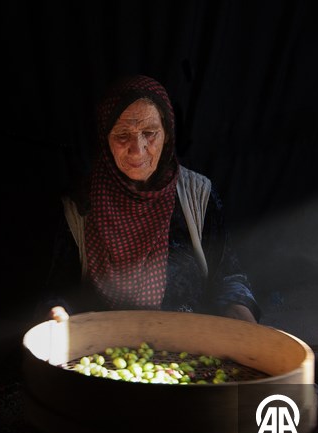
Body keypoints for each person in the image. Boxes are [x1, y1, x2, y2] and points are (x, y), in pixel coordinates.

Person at [41, 74, 260, 324]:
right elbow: (59, 291)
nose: (138, 148)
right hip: (104, 346)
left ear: (167, 134)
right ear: (105, 138)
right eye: (123, 134)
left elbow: (228, 276)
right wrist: (56, 314)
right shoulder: (80, 206)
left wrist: (240, 314)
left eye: (150, 132)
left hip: (189, 345)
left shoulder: (197, 195)